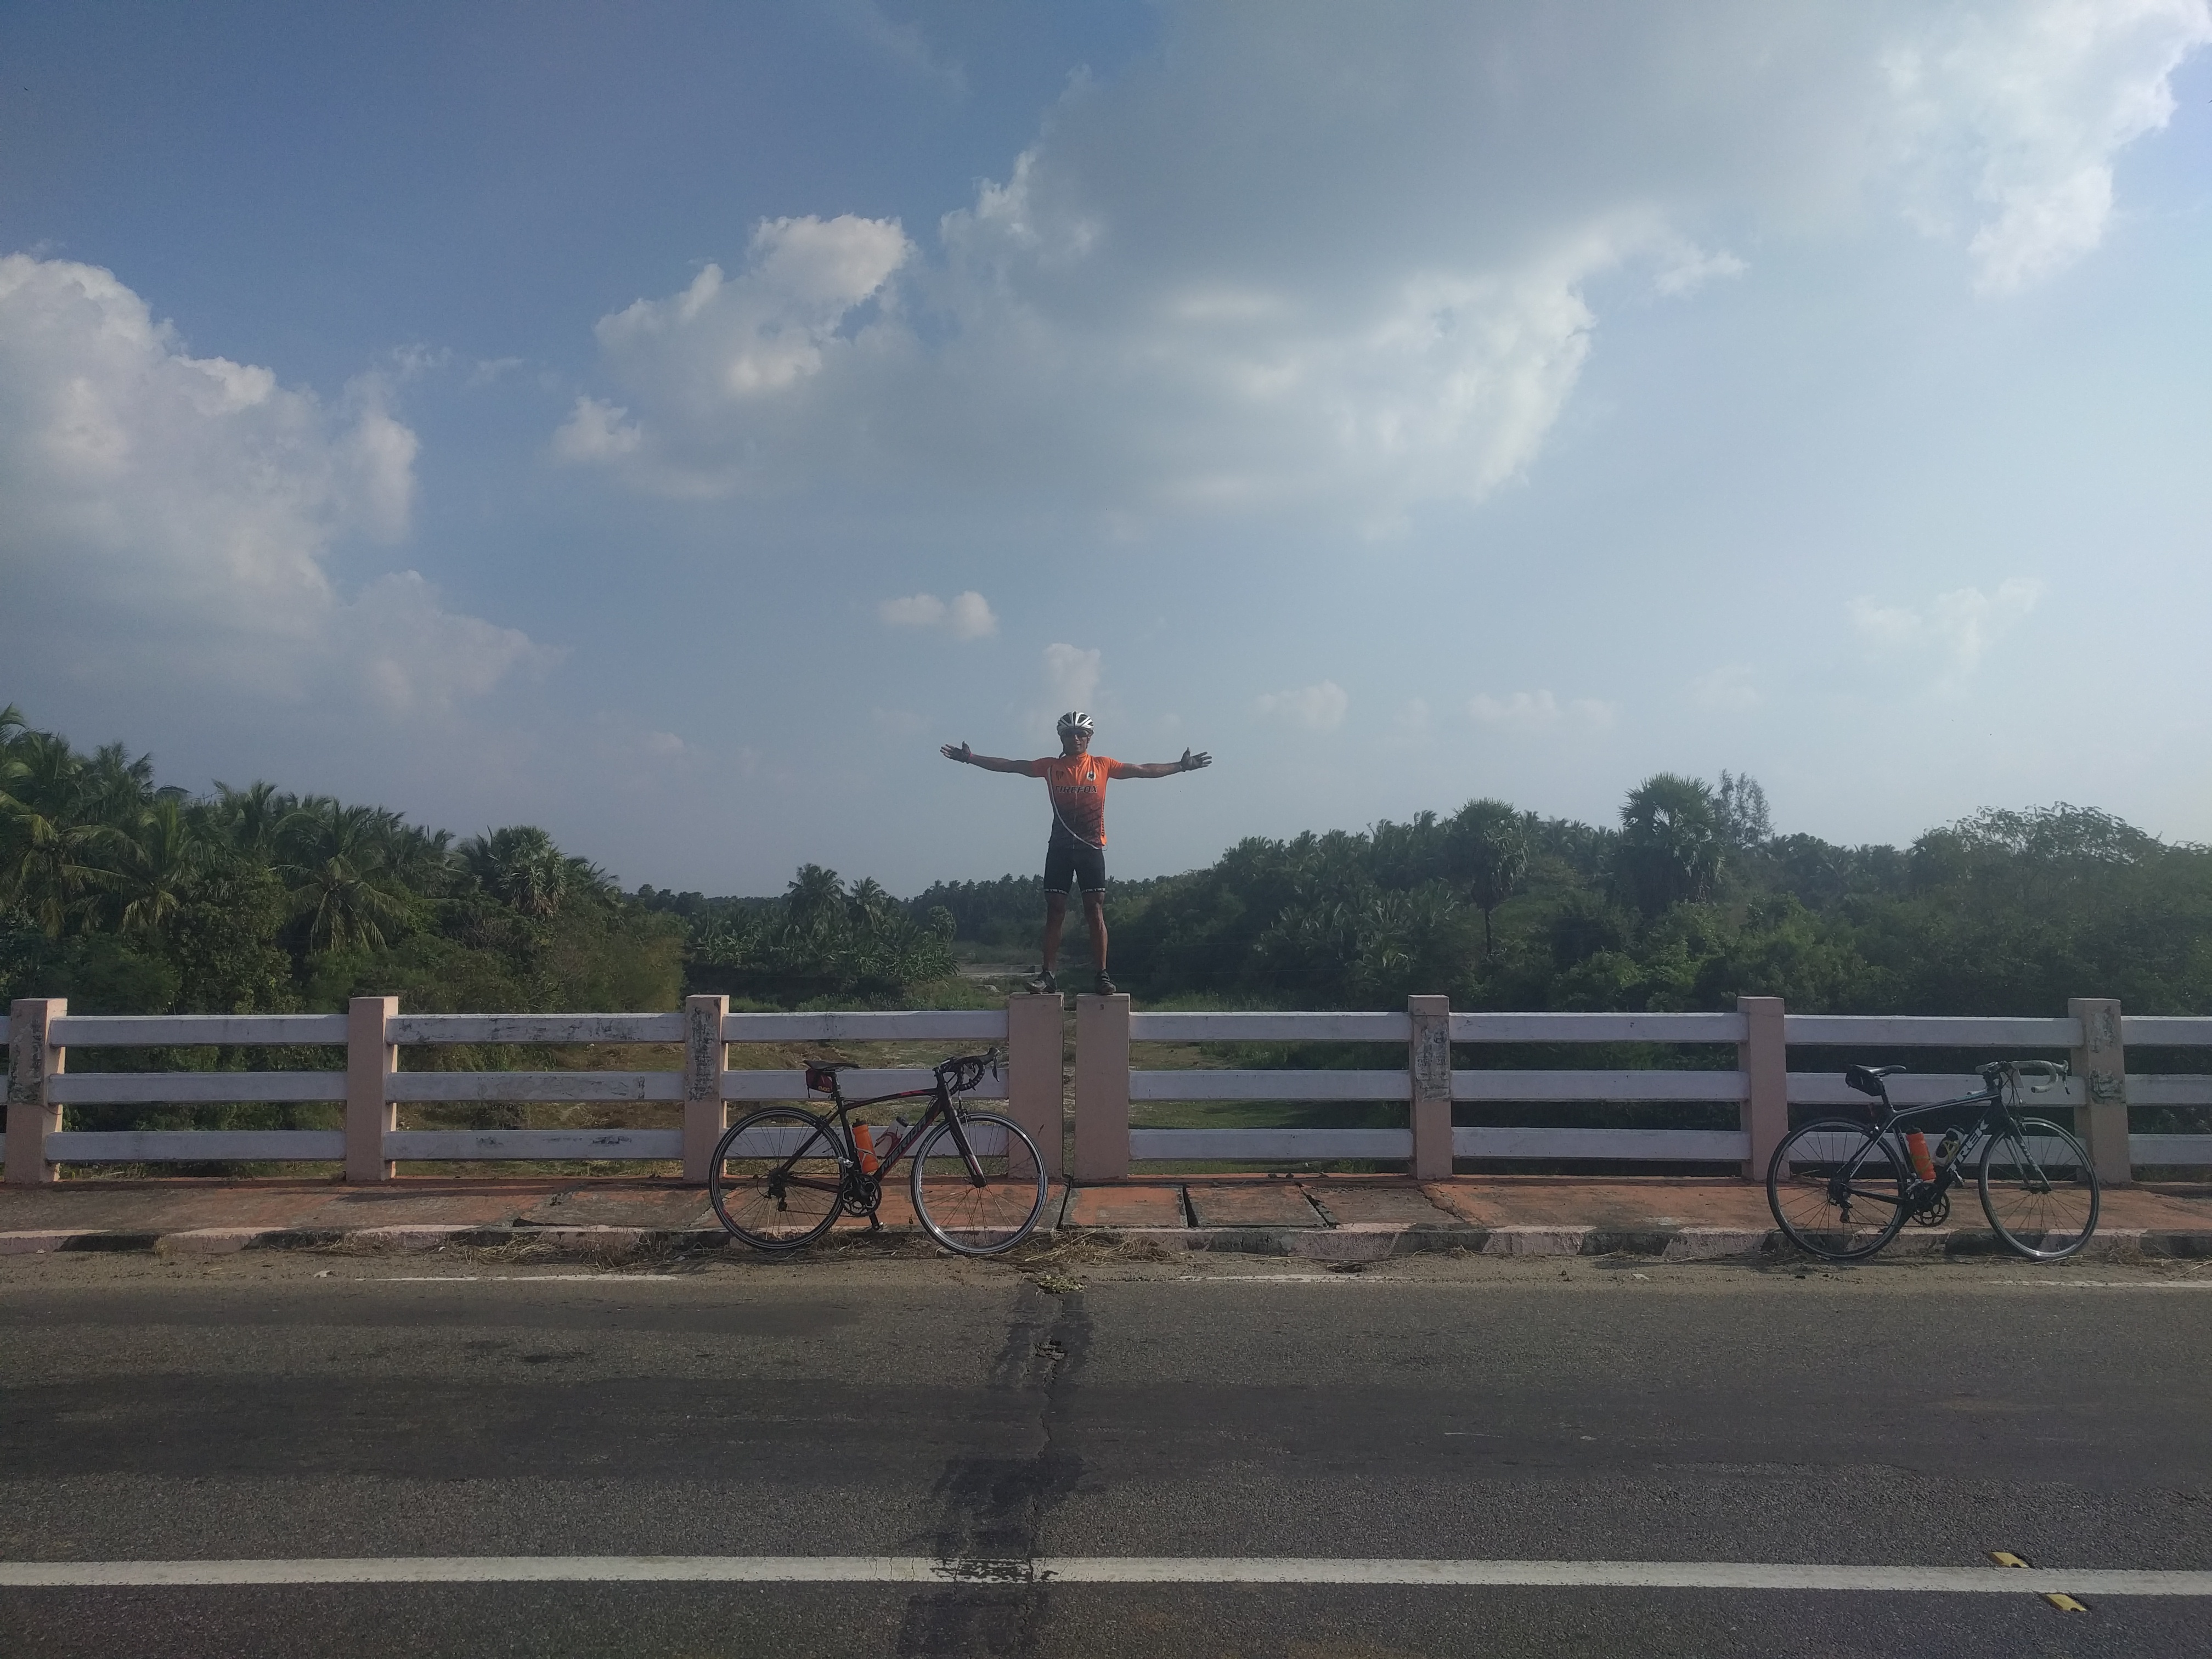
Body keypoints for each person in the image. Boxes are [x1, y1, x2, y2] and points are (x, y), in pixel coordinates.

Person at [941, 712, 1211, 996]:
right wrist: (971, 759)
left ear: (1090, 738)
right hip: (1059, 848)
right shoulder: (1050, 767)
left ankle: (1102, 975)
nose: (1076, 738)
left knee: (1095, 911)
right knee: (1055, 912)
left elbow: (1142, 770)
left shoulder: (1102, 765)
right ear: (1062, 738)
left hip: (1091, 847)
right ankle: (1048, 975)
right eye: (1070, 734)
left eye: (1082, 733)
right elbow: (1011, 766)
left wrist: (1181, 767)